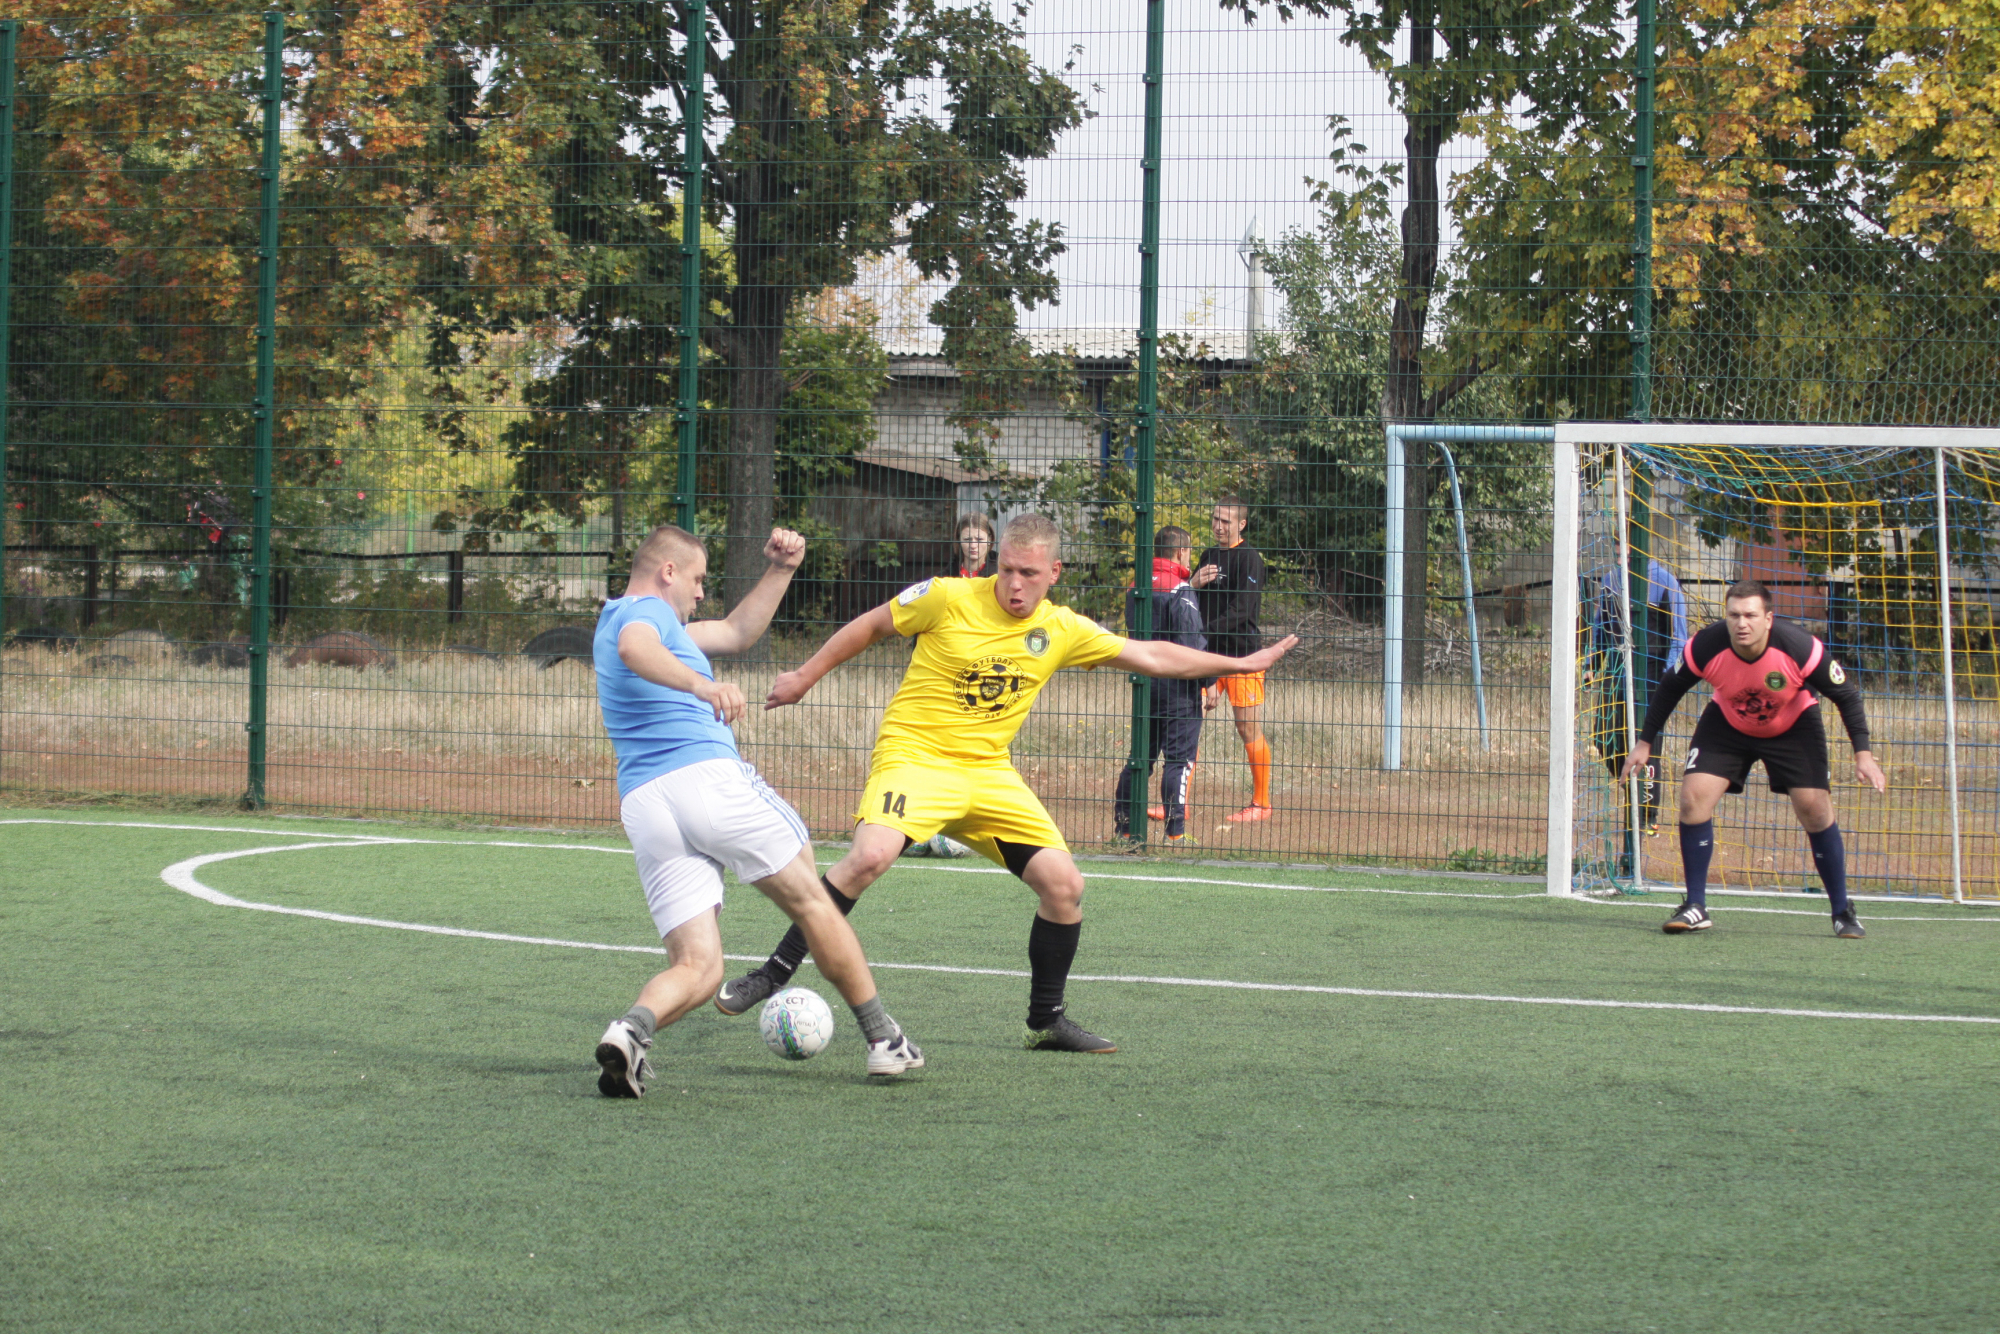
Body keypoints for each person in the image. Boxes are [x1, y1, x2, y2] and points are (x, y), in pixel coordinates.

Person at [715, 513, 1298, 1053]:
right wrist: (804, 675)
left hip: (988, 773)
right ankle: (771, 974)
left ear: (1053, 573)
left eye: (1029, 573)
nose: (1014, 584)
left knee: (1064, 887)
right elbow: (870, 626)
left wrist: (1240, 664)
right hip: (915, 757)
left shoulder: (1060, 628)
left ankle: (1046, 1020)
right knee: (868, 857)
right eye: (1007, 570)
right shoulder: (946, 597)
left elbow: (1151, 656)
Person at [589, 523, 923, 1097]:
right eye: (695, 580)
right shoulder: (640, 616)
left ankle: (630, 1031)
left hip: (646, 805)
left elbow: (739, 631)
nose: (699, 594)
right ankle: (883, 1039)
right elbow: (635, 647)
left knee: (700, 967)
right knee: (814, 902)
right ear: (667, 571)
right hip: (705, 781)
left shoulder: (655, 624)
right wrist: (701, 686)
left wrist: (782, 569)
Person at [1621, 578, 1886, 937]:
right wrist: (1644, 743)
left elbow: (1847, 697)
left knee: (1815, 809)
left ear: (1768, 618)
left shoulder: (1800, 648)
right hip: (1727, 724)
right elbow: (1669, 688)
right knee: (1692, 799)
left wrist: (1864, 756)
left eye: (1750, 615)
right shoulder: (1705, 646)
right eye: (1733, 615)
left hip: (1793, 725)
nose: (1741, 623)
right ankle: (1695, 905)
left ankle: (1842, 911)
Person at [1113, 526, 1215, 847]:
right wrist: (1209, 682)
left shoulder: (1136, 587)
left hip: (1144, 685)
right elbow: (1191, 646)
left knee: (1139, 760)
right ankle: (1176, 834)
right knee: (1178, 762)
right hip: (1178, 690)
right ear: (1180, 553)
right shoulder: (1181, 591)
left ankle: (1125, 831)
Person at [1593, 558, 1689, 840]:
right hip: (1617, 675)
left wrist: (1667, 675)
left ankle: (1648, 817)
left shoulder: (1665, 582)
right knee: (1603, 739)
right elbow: (1601, 627)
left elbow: (1679, 636)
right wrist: (1593, 663)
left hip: (1651, 676)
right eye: (1618, 543)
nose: (1623, 549)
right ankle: (1633, 791)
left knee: (1648, 746)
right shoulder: (1611, 580)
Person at [1194, 496, 1272, 821]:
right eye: (1215, 519)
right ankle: (1176, 803)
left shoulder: (1250, 559)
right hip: (1206, 657)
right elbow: (1189, 601)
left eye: (1225, 521)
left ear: (1241, 524)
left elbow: (1242, 611)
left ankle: (1261, 804)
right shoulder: (1208, 555)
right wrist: (1192, 583)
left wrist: (1203, 632)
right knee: (1187, 723)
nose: (1218, 526)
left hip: (1242, 657)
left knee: (1246, 727)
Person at [949, 512, 997, 580]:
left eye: (979, 539)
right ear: (958, 540)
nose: (973, 545)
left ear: (989, 539)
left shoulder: (999, 576)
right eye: (967, 539)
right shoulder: (945, 577)